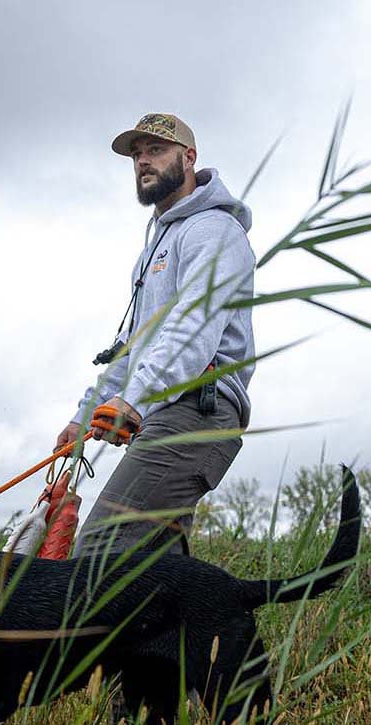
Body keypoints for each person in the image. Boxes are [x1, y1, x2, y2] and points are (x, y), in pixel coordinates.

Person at [54, 113, 255, 558]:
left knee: (101, 548)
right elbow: (131, 346)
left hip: (200, 408)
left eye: (156, 150)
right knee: (156, 570)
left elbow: (194, 329)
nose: (143, 161)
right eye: (137, 153)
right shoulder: (153, 250)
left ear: (189, 157)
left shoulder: (215, 231)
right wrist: (86, 415)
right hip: (165, 410)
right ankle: (201, 630)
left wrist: (134, 401)